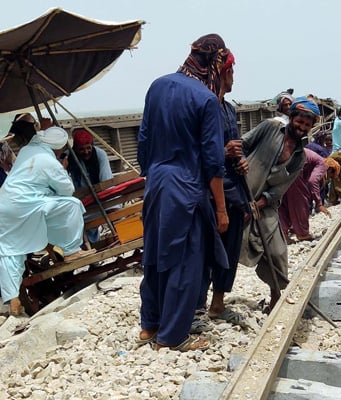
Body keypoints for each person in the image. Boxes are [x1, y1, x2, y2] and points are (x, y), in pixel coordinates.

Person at [137, 34, 231, 352]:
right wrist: (221, 209)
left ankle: (149, 325)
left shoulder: (157, 86)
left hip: (156, 181)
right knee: (184, 261)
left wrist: (154, 174)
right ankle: (173, 336)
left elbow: (144, 140)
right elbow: (213, 161)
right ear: (215, 63)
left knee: (154, 252)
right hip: (186, 185)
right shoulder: (206, 100)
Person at [0, 126, 92, 317]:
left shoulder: (27, 150)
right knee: (72, 205)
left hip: (6, 204)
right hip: (26, 205)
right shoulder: (48, 160)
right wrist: (63, 169)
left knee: (10, 249)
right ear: (58, 147)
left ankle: (13, 300)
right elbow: (67, 190)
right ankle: (71, 251)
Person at [240, 97, 320, 312]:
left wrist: (259, 203)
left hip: (265, 205)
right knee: (228, 248)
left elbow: (280, 189)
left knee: (276, 251)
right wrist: (239, 161)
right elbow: (243, 145)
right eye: (299, 122)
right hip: (240, 197)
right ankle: (214, 300)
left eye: (306, 125)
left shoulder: (299, 157)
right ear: (291, 117)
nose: (301, 127)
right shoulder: (270, 128)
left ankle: (276, 295)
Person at [198, 47, 251, 324]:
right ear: (223, 73)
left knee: (229, 248)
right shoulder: (206, 107)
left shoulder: (228, 109)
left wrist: (241, 160)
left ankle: (218, 303)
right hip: (212, 190)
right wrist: (223, 152)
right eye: (231, 72)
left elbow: (236, 146)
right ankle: (198, 305)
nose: (233, 79)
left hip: (235, 188)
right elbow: (201, 153)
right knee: (208, 250)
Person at [67, 128, 115, 243]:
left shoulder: (100, 154)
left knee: (113, 205)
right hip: (82, 202)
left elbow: (106, 181)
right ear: (76, 149)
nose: (86, 152)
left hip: (101, 198)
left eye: (88, 148)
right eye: (81, 149)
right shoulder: (69, 157)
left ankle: (117, 231)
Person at [279, 148, 329, 243]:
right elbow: (312, 181)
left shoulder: (313, 160)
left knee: (284, 203)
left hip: (284, 167)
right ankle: (302, 233)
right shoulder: (322, 164)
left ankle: (283, 234)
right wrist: (319, 204)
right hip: (295, 168)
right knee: (301, 202)